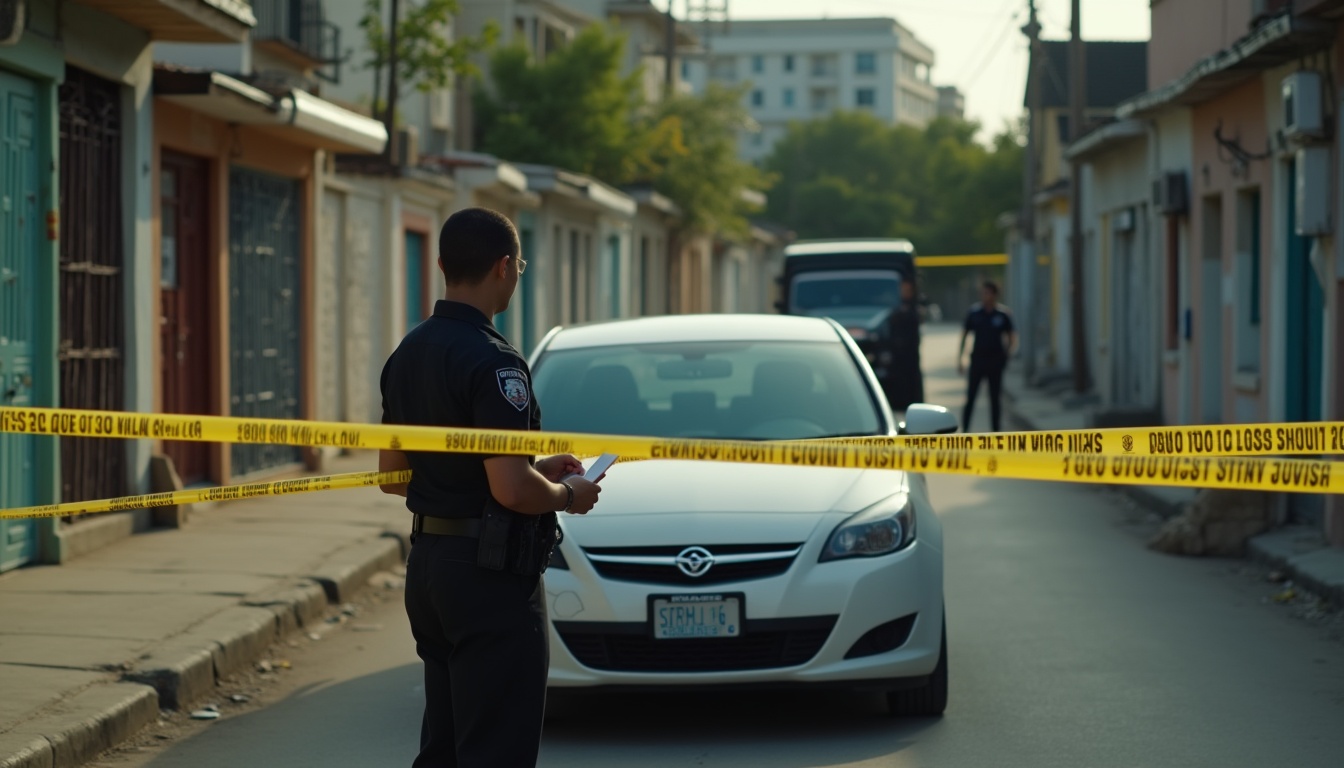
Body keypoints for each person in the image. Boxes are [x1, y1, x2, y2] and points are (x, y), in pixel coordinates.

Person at [378, 207, 602, 768]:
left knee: (447, 747)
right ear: (504, 267)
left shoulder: (408, 352)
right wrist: (568, 494)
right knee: (497, 747)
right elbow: (510, 491)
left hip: (429, 568)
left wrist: (532, 466)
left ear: (441, 264)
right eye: (520, 264)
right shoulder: (496, 362)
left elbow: (392, 474)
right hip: (488, 575)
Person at [957, 280, 1016, 432]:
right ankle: (965, 431)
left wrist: (1006, 355)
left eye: (988, 293)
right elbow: (965, 335)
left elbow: (1011, 337)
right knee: (971, 397)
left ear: (995, 295)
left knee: (995, 400)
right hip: (978, 360)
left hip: (995, 361)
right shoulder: (975, 313)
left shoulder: (1002, 315)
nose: (985, 296)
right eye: (983, 293)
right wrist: (960, 359)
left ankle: (996, 433)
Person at [883, 278, 925, 412]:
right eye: (902, 289)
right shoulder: (895, 307)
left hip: (910, 359)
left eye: (907, 290)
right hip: (898, 360)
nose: (904, 292)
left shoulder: (915, 309)